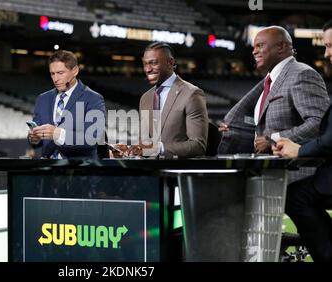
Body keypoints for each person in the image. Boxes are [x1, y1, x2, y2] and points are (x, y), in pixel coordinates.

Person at [272, 20, 332, 262]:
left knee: (297, 196)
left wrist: (299, 150)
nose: (327, 53)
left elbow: (329, 138)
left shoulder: (302, 74)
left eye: (330, 46)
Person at [218, 26, 330, 155]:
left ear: (281, 47)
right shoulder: (268, 81)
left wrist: (273, 139)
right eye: (254, 47)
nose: (254, 52)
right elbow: (259, 130)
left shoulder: (302, 74)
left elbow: (319, 123)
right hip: (267, 170)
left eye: (260, 46)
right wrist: (233, 129)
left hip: (296, 171)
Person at [125, 42, 208, 158]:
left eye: (153, 63)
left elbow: (198, 145)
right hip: (150, 171)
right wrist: (129, 149)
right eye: (145, 64)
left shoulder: (192, 94)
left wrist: (159, 148)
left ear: (170, 63)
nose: (148, 69)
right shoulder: (145, 98)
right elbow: (144, 144)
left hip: (178, 172)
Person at [27, 50, 106, 159]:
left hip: (79, 171)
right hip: (48, 170)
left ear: (75, 71)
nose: (56, 79)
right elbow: (36, 140)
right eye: (52, 74)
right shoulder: (43, 99)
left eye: (60, 73)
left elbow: (93, 140)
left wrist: (58, 134)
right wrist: (33, 138)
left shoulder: (93, 99)